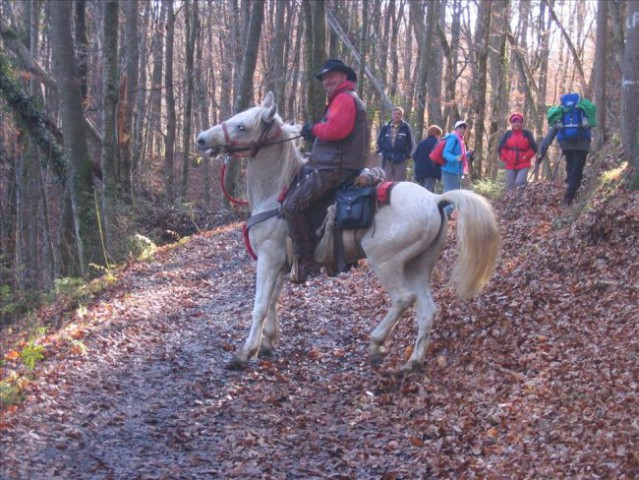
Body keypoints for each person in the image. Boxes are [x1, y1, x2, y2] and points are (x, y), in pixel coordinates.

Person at [282, 59, 368, 283]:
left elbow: (335, 130)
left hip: (334, 168)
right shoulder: (342, 99)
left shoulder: (344, 99)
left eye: (332, 76)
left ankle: (307, 260)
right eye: (324, 78)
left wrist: (312, 129)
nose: (327, 81)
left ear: (344, 77)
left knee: (291, 206)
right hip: (330, 164)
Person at [537, 94, 592, 205]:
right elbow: (591, 126)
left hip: (566, 145)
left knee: (572, 171)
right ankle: (569, 198)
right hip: (582, 146)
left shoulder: (561, 113)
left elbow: (550, 135)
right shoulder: (582, 111)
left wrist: (541, 153)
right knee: (576, 172)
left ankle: (568, 197)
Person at [497, 112, 538, 191]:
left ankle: (520, 201)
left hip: (524, 163)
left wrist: (526, 156)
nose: (516, 124)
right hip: (510, 164)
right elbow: (500, 148)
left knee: (520, 183)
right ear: (512, 123)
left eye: (518, 122)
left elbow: (534, 148)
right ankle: (510, 202)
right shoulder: (508, 134)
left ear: (521, 123)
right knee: (510, 186)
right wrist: (506, 157)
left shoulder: (527, 134)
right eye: (514, 122)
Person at [376, 106, 415, 181]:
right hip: (387, 158)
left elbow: (411, 144)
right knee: (385, 181)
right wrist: (380, 152)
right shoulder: (386, 127)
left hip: (401, 159)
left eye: (398, 114)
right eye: (395, 114)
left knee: (399, 182)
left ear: (401, 116)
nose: (396, 115)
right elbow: (379, 141)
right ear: (392, 115)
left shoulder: (406, 127)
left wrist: (407, 156)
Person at [441, 120, 470, 218]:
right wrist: (455, 158)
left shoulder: (461, 140)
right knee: (453, 197)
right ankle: (442, 215)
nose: (462, 130)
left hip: (456, 172)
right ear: (456, 129)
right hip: (449, 171)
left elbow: (460, 156)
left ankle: (444, 215)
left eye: (464, 128)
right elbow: (446, 153)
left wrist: (468, 154)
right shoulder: (453, 138)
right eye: (460, 128)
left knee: (451, 196)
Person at [413, 124, 443, 192]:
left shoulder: (421, 143)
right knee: (428, 192)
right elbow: (438, 159)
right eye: (439, 135)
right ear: (437, 135)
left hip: (420, 171)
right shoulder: (436, 144)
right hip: (431, 171)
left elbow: (415, 157)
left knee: (421, 191)